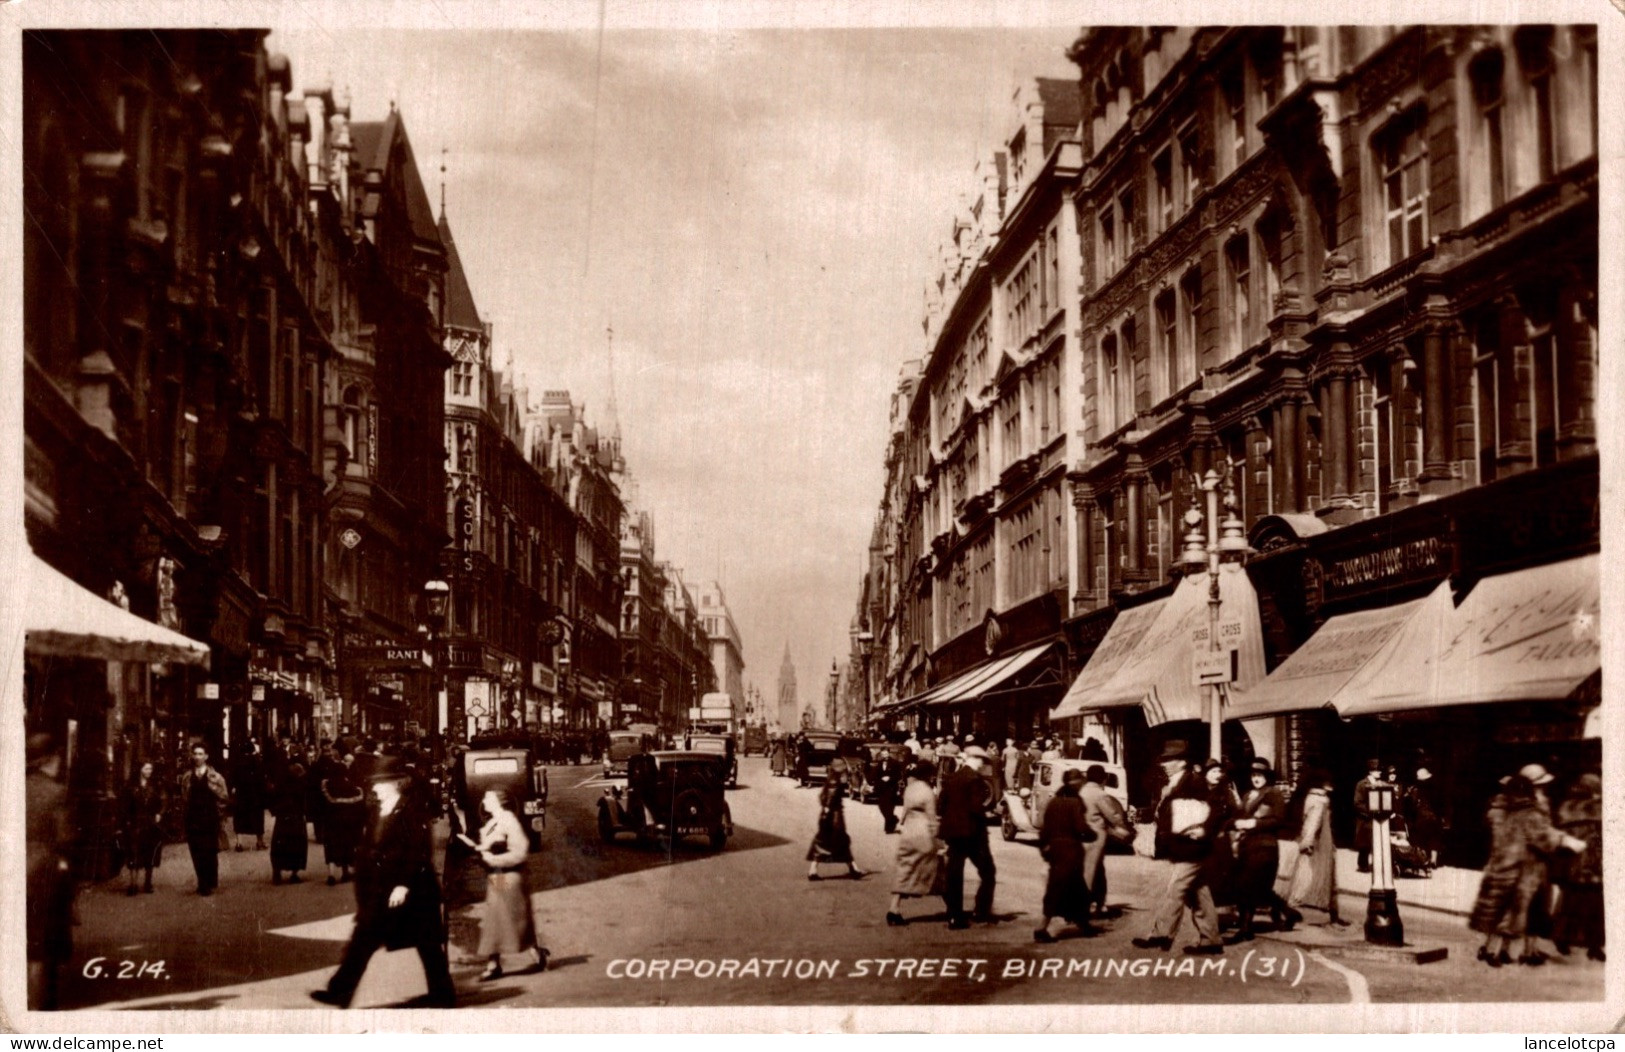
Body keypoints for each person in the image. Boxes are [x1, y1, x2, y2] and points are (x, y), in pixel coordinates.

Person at [311, 759, 455, 1008]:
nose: (375, 788)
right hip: (380, 889)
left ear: (395, 785)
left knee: (427, 944)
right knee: (364, 941)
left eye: (380, 783)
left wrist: (403, 885)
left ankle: (442, 994)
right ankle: (339, 991)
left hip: (412, 890)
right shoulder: (380, 809)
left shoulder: (411, 809)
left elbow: (418, 850)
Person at [1469, 769, 1586, 968]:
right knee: (1510, 912)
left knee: (1499, 910)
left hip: (1499, 866)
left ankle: (1492, 949)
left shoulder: (1498, 810)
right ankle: (1493, 952)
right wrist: (1566, 841)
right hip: (1521, 869)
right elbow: (1543, 838)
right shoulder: (1529, 814)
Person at [1133, 747, 1223, 955]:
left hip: (1194, 846)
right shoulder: (1175, 782)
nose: (1163, 764)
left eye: (1168, 760)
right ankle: (1211, 939)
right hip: (1183, 845)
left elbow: (1216, 808)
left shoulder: (1194, 780)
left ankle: (1161, 934)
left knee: (1176, 889)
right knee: (1199, 893)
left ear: (1182, 762)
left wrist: (1205, 829)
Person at [465, 788, 546, 981]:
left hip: (510, 875)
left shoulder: (508, 820)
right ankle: (495, 963)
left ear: (498, 802)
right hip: (498, 875)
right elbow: (492, 844)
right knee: (497, 916)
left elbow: (520, 852)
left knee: (514, 917)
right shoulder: (493, 822)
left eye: (488, 798)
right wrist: (480, 849)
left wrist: (492, 859)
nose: (484, 800)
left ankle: (532, 952)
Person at [26, 733, 75, 1010]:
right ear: (52, 759)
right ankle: (39, 1013)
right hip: (44, 875)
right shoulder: (56, 792)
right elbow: (65, 838)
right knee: (42, 950)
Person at [1230, 759, 1301, 940]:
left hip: (1265, 846)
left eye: (1260, 775)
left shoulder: (1274, 793)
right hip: (1247, 846)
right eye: (1254, 775)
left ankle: (1246, 928)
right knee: (1256, 887)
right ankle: (1287, 912)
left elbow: (1278, 819)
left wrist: (1253, 823)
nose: (1256, 779)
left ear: (1267, 777)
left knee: (1248, 884)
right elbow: (1238, 816)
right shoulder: (1247, 796)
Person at [1034, 767, 1097, 942]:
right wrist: (1092, 834)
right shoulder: (1075, 802)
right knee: (1058, 888)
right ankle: (1041, 928)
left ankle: (1083, 924)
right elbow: (1080, 827)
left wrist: (1044, 847)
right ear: (1075, 783)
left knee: (1077, 889)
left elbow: (1043, 827)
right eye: (1080, 781)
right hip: (1070, 850)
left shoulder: (1053, 801)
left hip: (1055, 849)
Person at [937, 744, 996, 929]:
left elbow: (941, 806)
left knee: (954, 874)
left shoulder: (952, 778)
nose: (983, 765)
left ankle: (954, 916)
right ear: (975, 760)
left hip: (953, 834)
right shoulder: (975, 779)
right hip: (973, 834)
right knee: (988, 873)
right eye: (982, 761)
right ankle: (981, 911)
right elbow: (976, 807)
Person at [1553, 773, 1603, 961]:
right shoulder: (1600, 808)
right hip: (1595, 863)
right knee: (1596, 904)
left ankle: (1562, 938)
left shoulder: (1567, 808)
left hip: (1573, 863)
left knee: (1569, 902)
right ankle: (1594, 945)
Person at [1285, 767, 1344, 925]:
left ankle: (1333, 913)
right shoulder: (1319, 800)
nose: (1331, 785)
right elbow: (1313, 822)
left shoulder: (1309, 797)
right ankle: (1290, 908)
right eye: (1328, 782)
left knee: (1314, 874)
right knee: (1310, 875)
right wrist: (1307, 842)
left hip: (1318, 841)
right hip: (1319, 844)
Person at [886, 761, 942, 926]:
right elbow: (932, 818)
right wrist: (939, 838)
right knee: (939, 871)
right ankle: (953, 910)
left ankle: (893, 908)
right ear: (929, 775)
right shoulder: (928, 792)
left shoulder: (909, 789)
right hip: (923, 834)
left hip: (908, 833)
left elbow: (904, 811)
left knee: (906, 871)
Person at [1079, 763, 1134, 918]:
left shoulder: (1081, 791)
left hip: (1082, 834)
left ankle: (1094, 903)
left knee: (1088, 869)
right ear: (1103, 778)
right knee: (1093, 870)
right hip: (1096, 835)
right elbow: (1113, 816)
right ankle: (1090, 906)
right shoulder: (1099, 794)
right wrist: (1124, 826)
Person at [176, 743, 230, 896]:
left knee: (209, 850)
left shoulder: (215, 776)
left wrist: (219, 815)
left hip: (209, 818)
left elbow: (224, 797)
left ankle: (208, 880)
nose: (198, 757)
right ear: (192, 756)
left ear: (206, 756)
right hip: (193, 818)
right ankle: (202, 881)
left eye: (201, 754)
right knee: (196, 850)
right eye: (195, 754)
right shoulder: (187, 777)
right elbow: (184, 798)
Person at [806, 759, 864, 880]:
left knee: (826, 841)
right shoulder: (834, 780)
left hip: (831, 814)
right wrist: (827, 808)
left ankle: (853, 868)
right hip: (834, 816)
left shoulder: (831, 778)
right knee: (837, 841)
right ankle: (853, 868)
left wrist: (825, 808)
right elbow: (830, 796)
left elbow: (822, 796)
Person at [121, 760, 166, 896]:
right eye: (146, 769)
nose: (149, 772)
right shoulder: (131, 786)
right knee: (133, 853)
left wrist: (159, 813)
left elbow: (163, 800)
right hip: (135, 824)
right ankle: (133, 883)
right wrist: (127, 821)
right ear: (140, 769)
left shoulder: (156, 786)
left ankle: (148, 883)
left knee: (150, 853)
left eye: (150, 769)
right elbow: (124, 805)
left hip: (150, 823)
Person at [323, 753, 367, 885]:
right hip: (347, 821)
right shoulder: (351, 787)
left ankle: (331, 874)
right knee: (346, 845)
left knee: (331, 847)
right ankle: (345, 872)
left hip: (331, 821)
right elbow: (359, 798)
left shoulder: (327, 786)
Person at [269, 761, 310, 884]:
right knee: (298, 843)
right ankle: (294, 872)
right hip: (296, 816)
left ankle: (277, 871)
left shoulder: (281, 783)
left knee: (280, 843)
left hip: (282, 817)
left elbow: (273, 797)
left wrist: (275, 811)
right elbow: (304, 800)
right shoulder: (301, 783)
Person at [231, 740, 268, 852]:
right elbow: (262, 778)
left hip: (241, 795)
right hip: (255, 795)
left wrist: (234, 787)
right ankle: (259, 842)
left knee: (239, 818)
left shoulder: (237, 761)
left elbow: (232, 777)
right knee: (257, 818)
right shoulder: (257, 761)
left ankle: (239, 843)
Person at [1354, 759, 1382, 873]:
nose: (1380, 773)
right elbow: (1357, 803)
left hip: (1378, 818)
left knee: (1378, 842)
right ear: (1371, 772)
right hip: (1366, 819)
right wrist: (1371, 811)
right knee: (1364, 844)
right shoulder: (1362, 784)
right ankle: (1363, 864)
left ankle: (1378, 865)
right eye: (1378, 771)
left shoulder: (1381, 784)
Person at [872, 747, 905, 834]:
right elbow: (876, 775)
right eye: (883, 754)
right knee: (882, 807)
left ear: (889, 753)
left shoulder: (895, 763)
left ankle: (889, 829)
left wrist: (889, 778)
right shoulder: (879, 763)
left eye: (886, 753)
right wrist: (879, 781)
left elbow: (898, 776)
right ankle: (894, 819)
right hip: (882, 788)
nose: (885, 755)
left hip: (891, 788)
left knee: (889, 808)